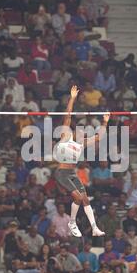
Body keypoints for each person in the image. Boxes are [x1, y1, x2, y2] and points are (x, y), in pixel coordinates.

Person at [54, 86, 110, 238]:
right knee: (78, 198)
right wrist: (72, 98)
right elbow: (68, 115)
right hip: (61, 173)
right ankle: (72, 222)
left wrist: (105, 122)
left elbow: (98, 137)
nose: (80, 132)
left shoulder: (81, 143)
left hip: (72, 173)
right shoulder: (66, 135)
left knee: (85, 199)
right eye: (78, 130)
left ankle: (94, 227)